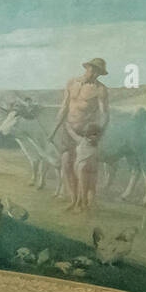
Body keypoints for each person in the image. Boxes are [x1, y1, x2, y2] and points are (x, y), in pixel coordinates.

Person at [48, 58, 110, 208]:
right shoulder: (71, 83)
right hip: (68, 129)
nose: (94, 73)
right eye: (92, 69)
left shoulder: (100, 89)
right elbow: (64, 107)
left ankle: (83, 203)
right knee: (66, 164)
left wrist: (98, 135)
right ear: (87, 67)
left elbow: (104, 114)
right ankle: (73, 200)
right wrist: (54, 130)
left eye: (98, 72)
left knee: (83, 169)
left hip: (85, 134)